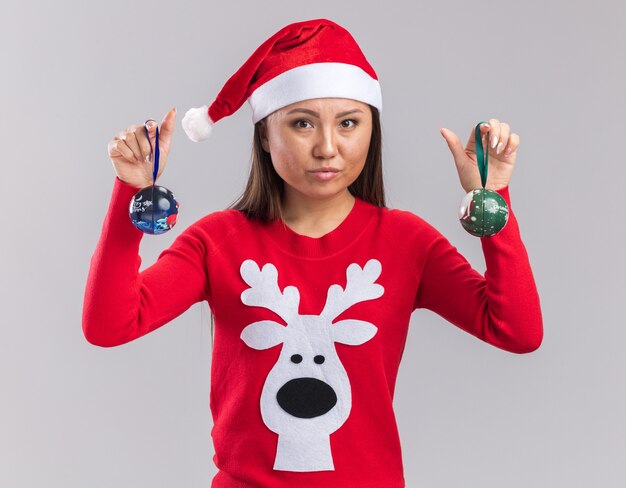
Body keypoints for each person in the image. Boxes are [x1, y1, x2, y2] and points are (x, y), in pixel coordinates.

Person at [82, 18, 543, 488]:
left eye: (348, 122)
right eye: (302, 123)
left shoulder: (407, 242)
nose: (327, 147)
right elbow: (109, 325)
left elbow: (517, 331)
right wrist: (131, 193)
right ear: (264, 134)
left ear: (371, 131)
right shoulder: (217, 241)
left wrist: (494, 199)